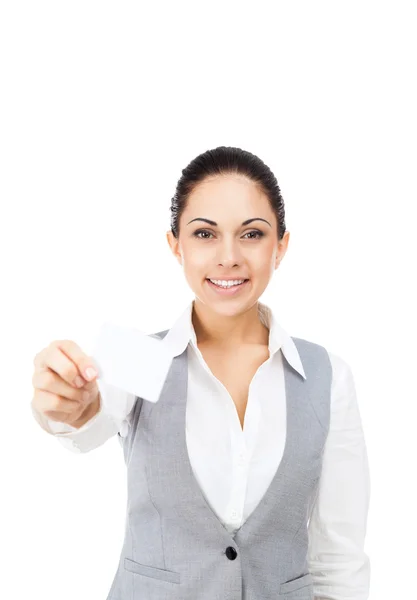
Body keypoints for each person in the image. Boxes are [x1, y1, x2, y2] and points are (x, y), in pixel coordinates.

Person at [31, 146, 370, 599]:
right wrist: (66, 406)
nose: (228, 257)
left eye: (252, 234)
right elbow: (82, 423)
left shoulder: (328, 375)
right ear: (176, 245)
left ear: (281, 246)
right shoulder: (136, 356)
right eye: (205, 234)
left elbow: (338, 559)